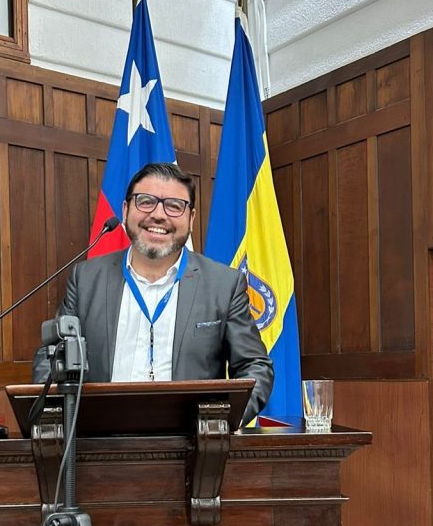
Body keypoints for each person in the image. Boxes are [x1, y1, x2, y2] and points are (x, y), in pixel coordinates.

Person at [32, 162, 274, 425]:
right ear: (125, 211)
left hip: (192, 446)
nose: (158, 215)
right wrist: (59, 420)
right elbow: (52, 358)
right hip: (97, 445)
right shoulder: (87, 278)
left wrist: (222, 420)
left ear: (191, 219)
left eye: (174, 205)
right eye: (145, 201)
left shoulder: (223, 285)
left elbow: (255, 367)